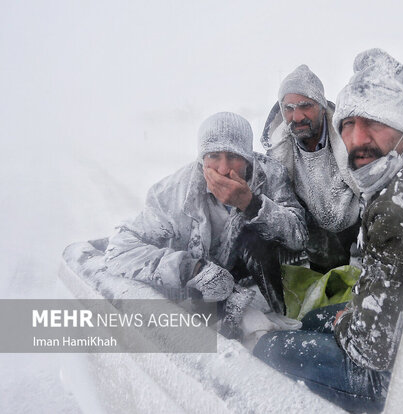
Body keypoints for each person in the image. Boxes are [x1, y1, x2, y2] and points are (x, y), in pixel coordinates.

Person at [253, 49, 403, 412]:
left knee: (271, 347)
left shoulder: (397, 207)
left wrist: (348, 320)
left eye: (374, 121)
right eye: (349, 123)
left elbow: (372, 349)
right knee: (312, 319)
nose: (357, 138)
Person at [104, 112, 308, 338]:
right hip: (197, 294)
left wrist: (251, 204)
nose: (222, 169)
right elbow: (119, 249)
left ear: (248, 158)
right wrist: (192, 269)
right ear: (202, 159)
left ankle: (274, 309)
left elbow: (298, 236)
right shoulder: (173, 193)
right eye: (213, 156)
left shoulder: (270, 174)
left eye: (233, 156)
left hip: (252, 283)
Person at [261, 65, 360, 273]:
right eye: (288, 108)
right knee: (328, 291)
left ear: (322, 106)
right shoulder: (279, 151)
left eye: (305, 105)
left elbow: (372, 189)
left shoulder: (350, 137)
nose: (296, 117)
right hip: (316, 236)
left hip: (356, 224)